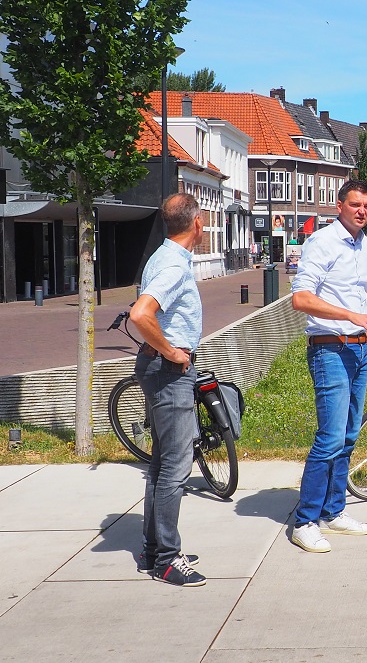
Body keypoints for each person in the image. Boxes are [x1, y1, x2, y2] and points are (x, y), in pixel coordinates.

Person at [289, 179, 367, 553]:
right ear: (339, 205)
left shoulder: (363, 244)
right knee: (329, 438)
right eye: (355, 205)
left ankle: (333, 511)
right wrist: (348, 317)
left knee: (348, 436)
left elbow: (358, 297)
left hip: (357, 350)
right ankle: (306, 520)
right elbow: (300, 298)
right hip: (329, 350)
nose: (361, 211)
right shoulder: (323, 242)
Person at [130, 193, 207, 586]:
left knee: (161, 466)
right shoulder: (174, 266)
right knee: (176, 468)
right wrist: (173, 352)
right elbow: (140, 313)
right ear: (198, 223)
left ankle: (151, 549)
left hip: (158, 368)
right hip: (167, 372)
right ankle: (166, 558)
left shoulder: (161, 256)